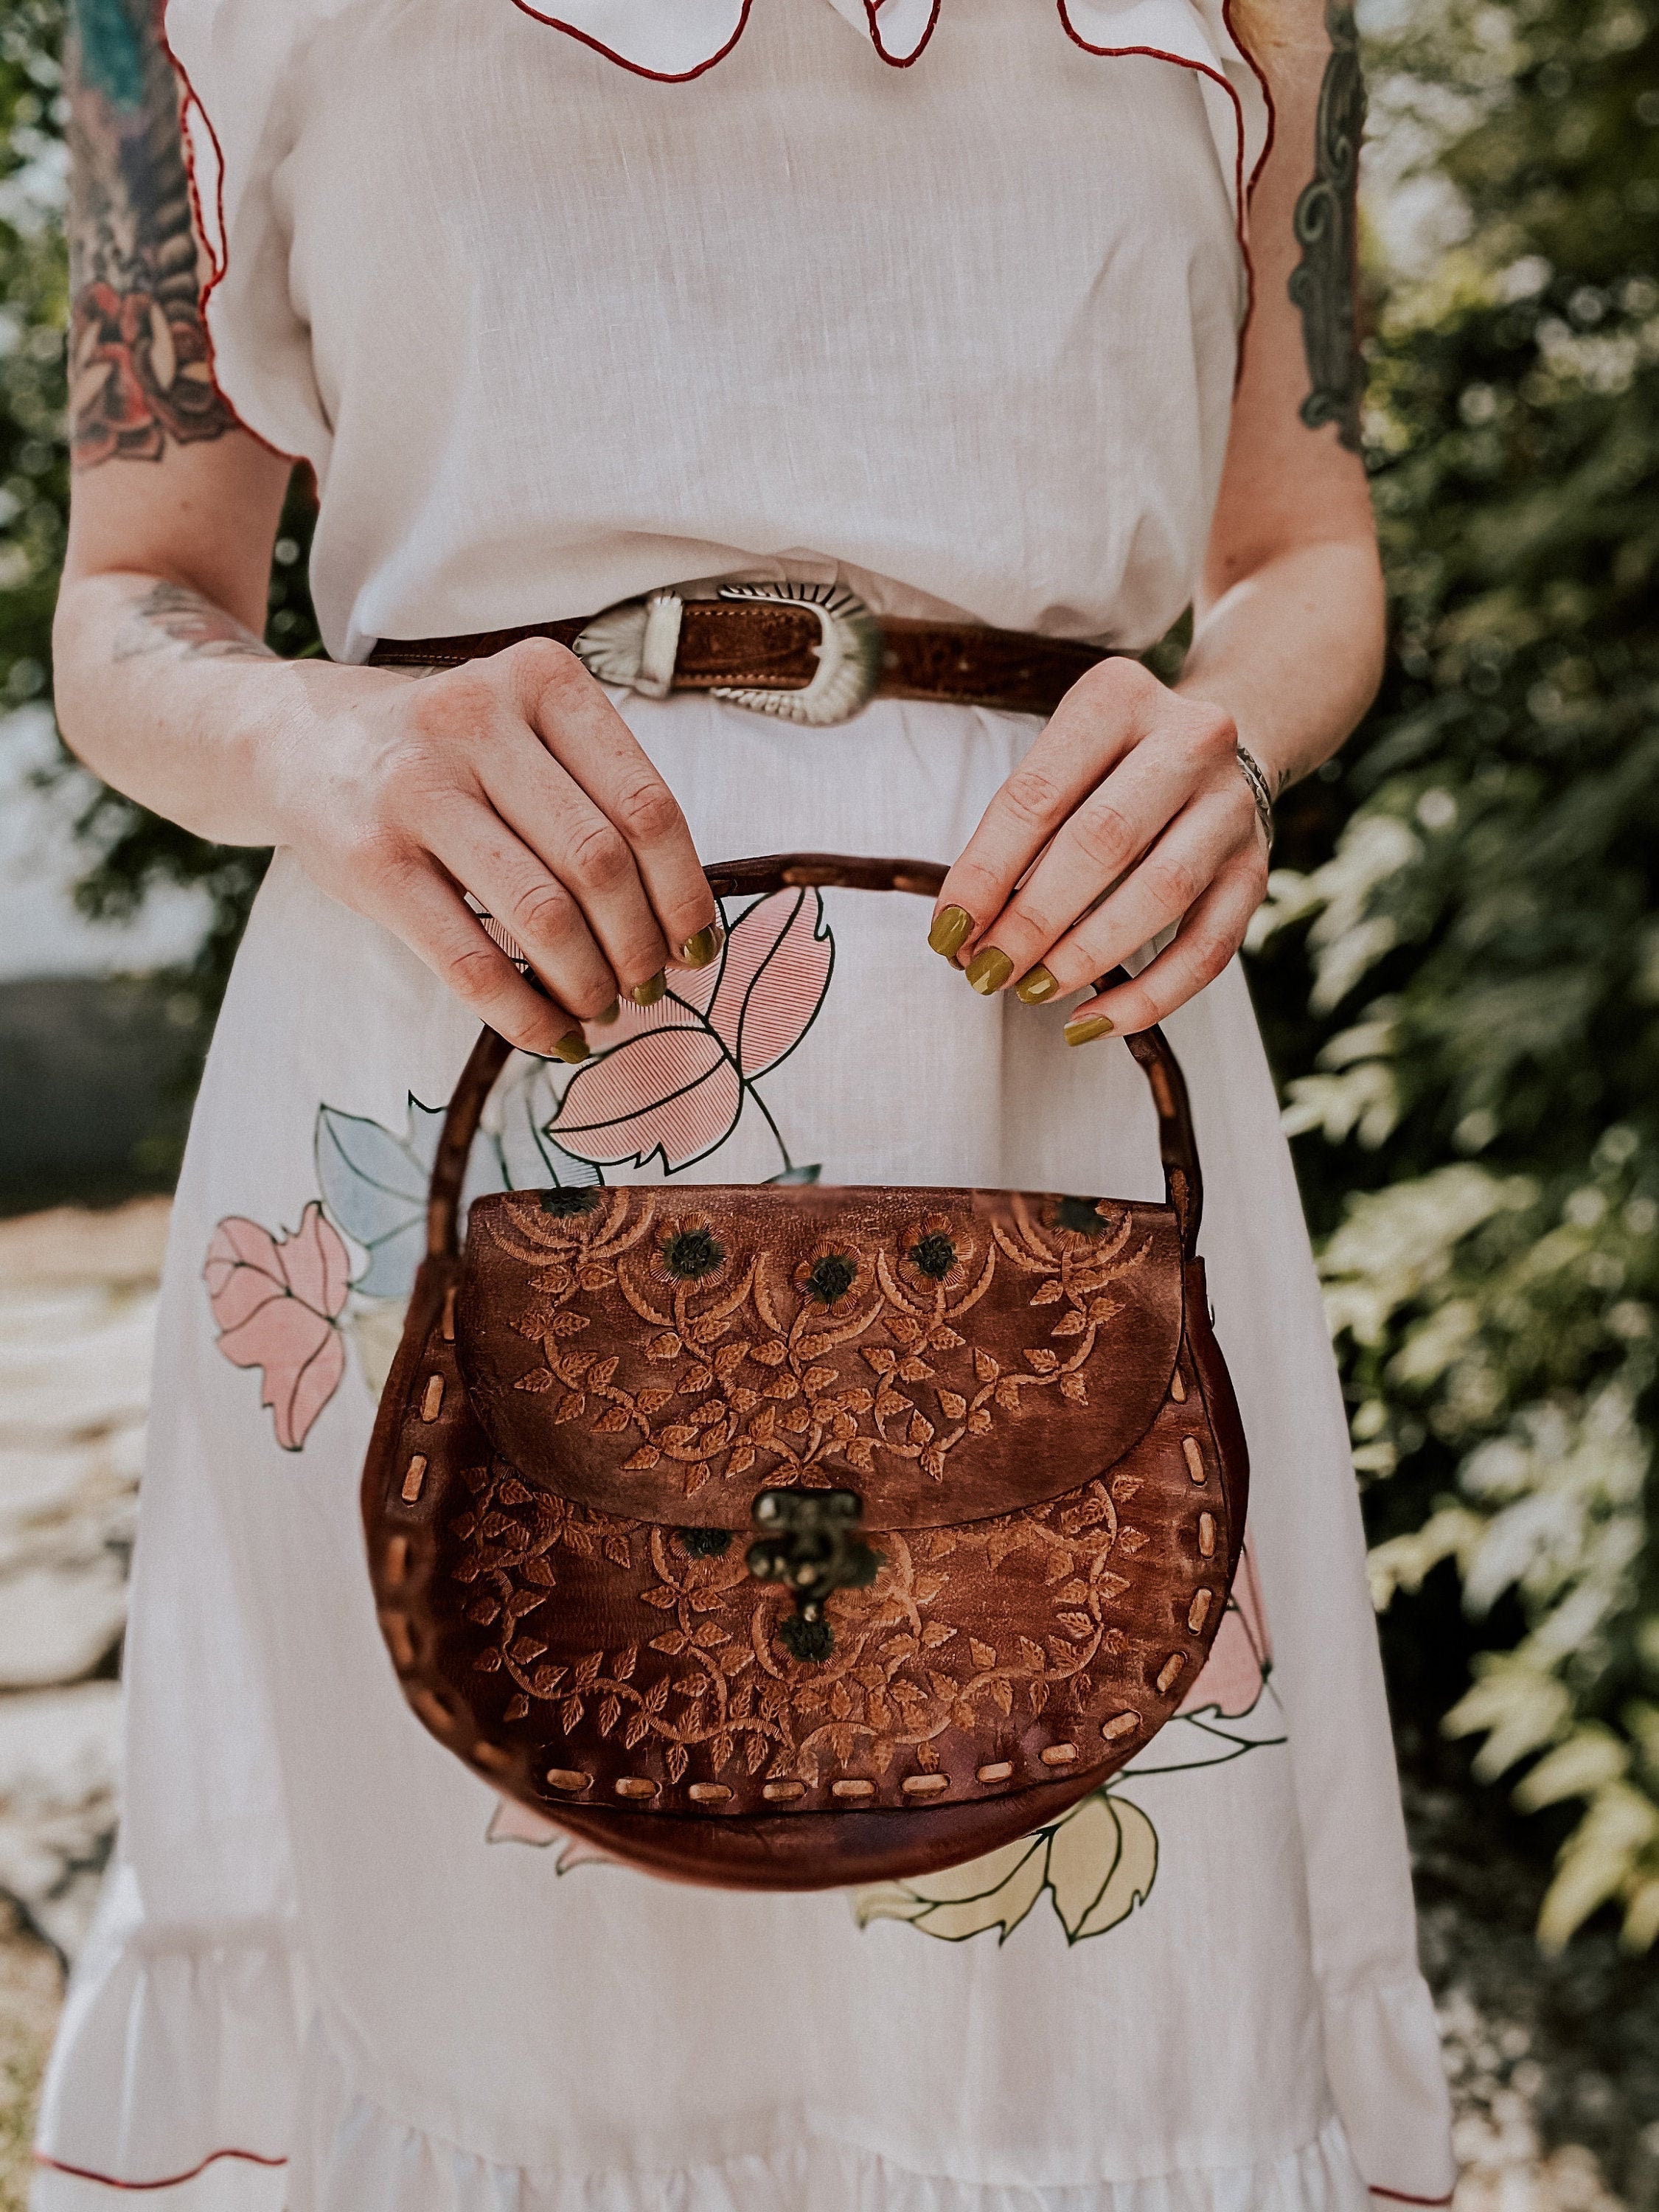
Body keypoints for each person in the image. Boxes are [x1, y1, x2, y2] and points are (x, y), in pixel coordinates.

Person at [35, 0, 1456, 2203]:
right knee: (493, 2010)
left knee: (1062, 1991)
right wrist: (325, 749)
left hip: (1046, 1073)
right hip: (462, 1056)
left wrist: (1229, 734)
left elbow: (1302, 547)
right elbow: (129, 609)